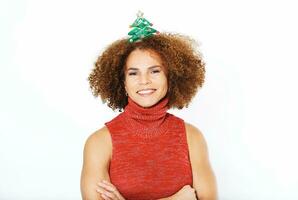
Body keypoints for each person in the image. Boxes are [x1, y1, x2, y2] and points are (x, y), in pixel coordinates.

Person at [80, 12, 217, 200]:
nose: (144, 81)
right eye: (133, 73)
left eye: (154, 71)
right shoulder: (99, 143)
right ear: (123, 82)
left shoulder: (192, 137)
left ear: (170, 76)